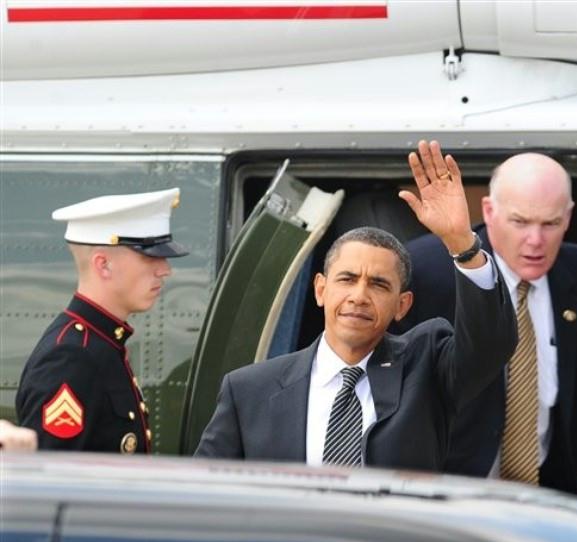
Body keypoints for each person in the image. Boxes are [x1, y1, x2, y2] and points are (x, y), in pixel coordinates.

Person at [195, 141, 517, 471]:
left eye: (378, 284)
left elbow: (488, 346)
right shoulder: (249, 390)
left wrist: (462, 244)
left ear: (402, 305)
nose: (359, 295)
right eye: (347, 279)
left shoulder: (426, 368)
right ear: (320, 290)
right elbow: (206, 487)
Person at [395, 152, 577, 500]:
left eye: (550, 223)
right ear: (489, 211)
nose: (536, 240)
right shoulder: (424, 271)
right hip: (444, 496)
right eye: (520, 222)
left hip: (547, 494)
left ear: (568, 217)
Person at [16, 188, 188, 454]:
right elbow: (52, 474)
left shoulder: (100, 344)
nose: (165, 269)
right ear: (103, 264)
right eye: (150, 257)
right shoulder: (71, 357)